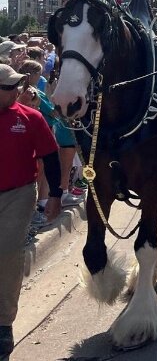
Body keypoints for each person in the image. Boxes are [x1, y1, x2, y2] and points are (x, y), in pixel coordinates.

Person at [0, 64, 62, 358]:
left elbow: (50, 157)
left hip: (18, 194)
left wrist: (56, 196)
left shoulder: (30, 118)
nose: (17, 91)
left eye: (17, 85)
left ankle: (3, 324)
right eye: (9, 87)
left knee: (7, 253)